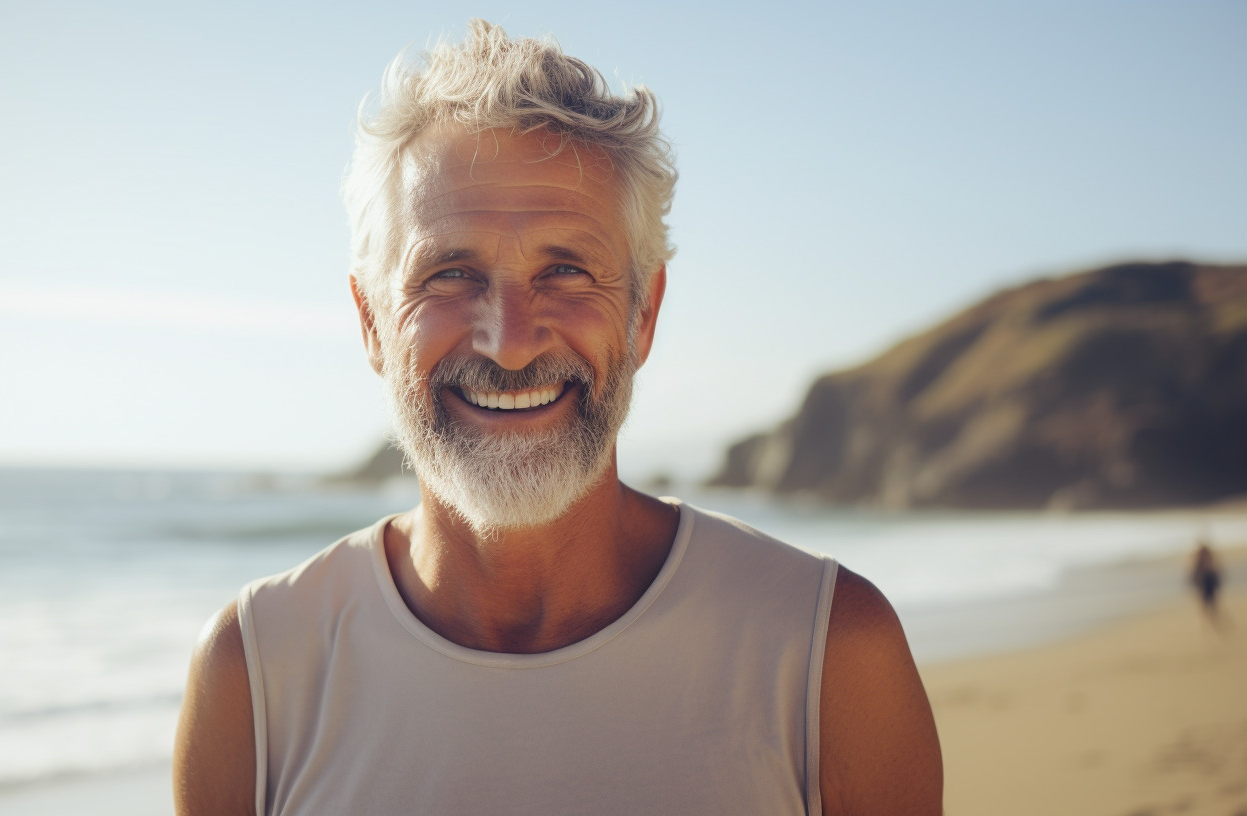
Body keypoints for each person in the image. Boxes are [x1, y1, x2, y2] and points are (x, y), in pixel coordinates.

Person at [174, 20, 942, 816]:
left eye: (567, 270)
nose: (509, 345)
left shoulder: (831, 656)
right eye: (450, 273)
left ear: (644, 314)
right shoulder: (254, 676)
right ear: (371, 321)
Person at [1190, 535, 1223, 628]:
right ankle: (1208, 621)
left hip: (1207, 581)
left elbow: (1193, 571)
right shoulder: (1202, 555)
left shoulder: (1203, 555)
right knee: (1207, 602)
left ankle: (1209, 620)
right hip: (1205, 581)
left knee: (1209, 602)